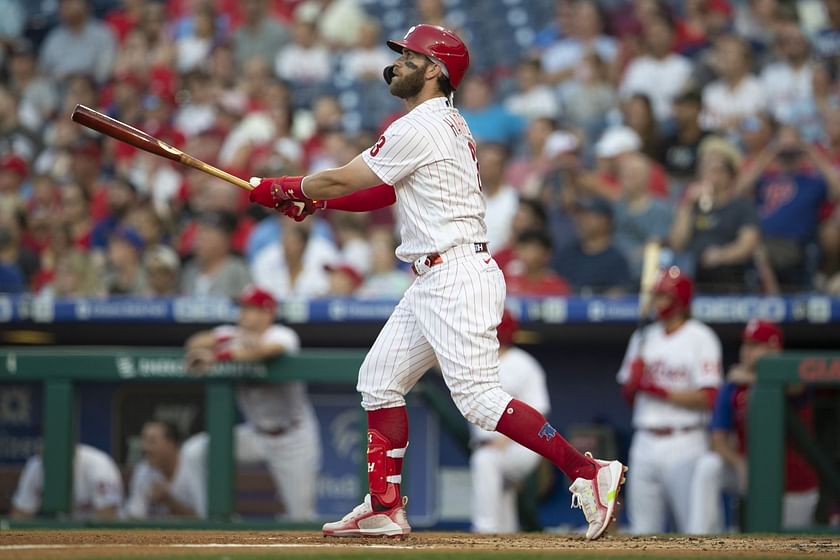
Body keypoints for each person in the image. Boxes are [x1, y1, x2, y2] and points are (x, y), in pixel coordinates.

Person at [248, 23, 626, 540]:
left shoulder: (421, 125)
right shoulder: (441, 123)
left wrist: (283, 187)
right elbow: (381, 192)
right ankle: (384, 506)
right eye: (400, 54)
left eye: (410, 56)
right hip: (435, 277)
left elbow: (343, 178)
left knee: (478, 400)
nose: (399, 62)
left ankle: (590, 472)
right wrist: (313, 199)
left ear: (437, 70)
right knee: (378, 380)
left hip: (455, 274)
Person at [183, 285, 321, 520]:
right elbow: (194, 343)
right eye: (242, 307)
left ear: (267, 313)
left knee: (302, 517)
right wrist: (226, 338)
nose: (243, 314)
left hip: (292, 437)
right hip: (255, 435)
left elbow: (266, 351)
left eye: (251, 308)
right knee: (194, 452)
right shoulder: (231, 333)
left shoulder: (282, 334)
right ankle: (208, 517)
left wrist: (218, 356)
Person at [616, 267, 723, 534]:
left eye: (664, 296)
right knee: (642, 530)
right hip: (644, 441)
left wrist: (658, 389)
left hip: (685, 440)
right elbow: (629, 396)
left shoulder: (701, 337)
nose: (657, 303)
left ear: (680, 300)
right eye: (656, 296)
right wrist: (634, 384)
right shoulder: (643, 337)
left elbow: (709, 397)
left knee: (693, 529)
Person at [688, 320, 820, 533]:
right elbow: (717, 440)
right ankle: (702, 537)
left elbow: (796, 387)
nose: (747, 351)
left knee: (788, 548)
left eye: (755, 346)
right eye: (745, 345)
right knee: (709, 466)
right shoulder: (732, 387)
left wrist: (752, 378)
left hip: (794, 484)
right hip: (751, 472)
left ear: (774, 348)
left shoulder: (792, 376)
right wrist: (739, 463)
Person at [470, 310, 551, 533]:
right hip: (489, 445)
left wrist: (507, 438)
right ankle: (503, 538)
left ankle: (484, 531)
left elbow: (539, 411)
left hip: (519, 446)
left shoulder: (523, 364)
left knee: (485, 460)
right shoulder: (474, 362)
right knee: (498, 488)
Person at [11, 443, 123, 519]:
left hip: (92, 535)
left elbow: (108, 514)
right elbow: (21, 513)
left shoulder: (98, 464)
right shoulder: (36, 466)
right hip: (57, 534)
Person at [124, 420, 203, 519]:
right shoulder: (143, 470)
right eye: (144, 441)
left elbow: (204, 520)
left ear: (171, 444)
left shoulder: (192, 467)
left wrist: (169, 501)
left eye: (151, 442)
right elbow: (134, 516)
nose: (145, 448)